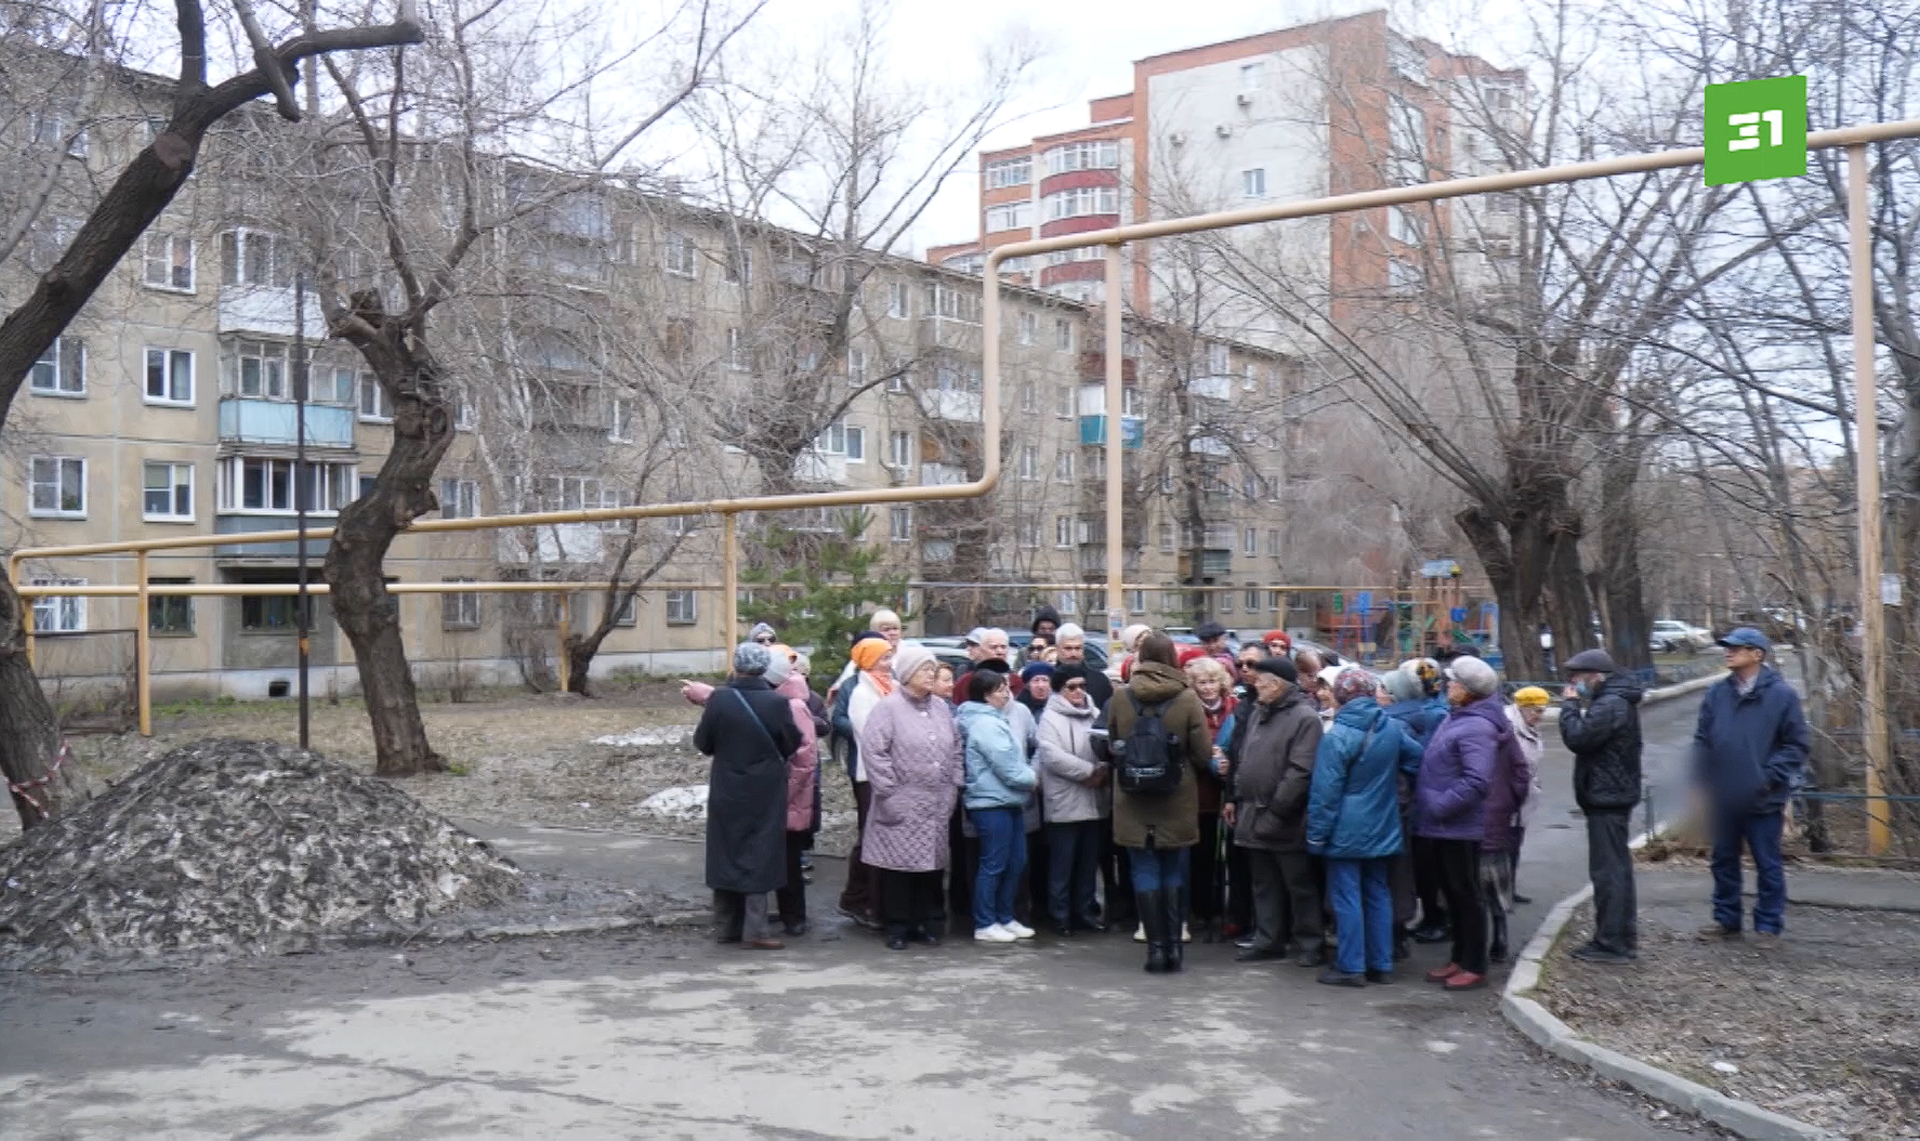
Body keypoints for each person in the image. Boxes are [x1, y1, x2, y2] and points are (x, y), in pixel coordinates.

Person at [1691, 627, 1808, 945]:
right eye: (1727, 648)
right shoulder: (1717, 693)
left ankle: (1768, 925)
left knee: (1767, 862)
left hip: (1762, 798)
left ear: (1757, 654)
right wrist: (1701, 782)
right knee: (1723, 860)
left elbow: (1796, 745)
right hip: (1724, 796)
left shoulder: (1781, 695)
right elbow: (1703, 741)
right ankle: (1727, 921)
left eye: (1736, 648)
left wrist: (1767, 777)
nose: (1728, 652)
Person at [1105, 632, 1214, 973]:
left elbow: (1112, 744)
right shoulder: (1186, 698)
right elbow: (1202, 753)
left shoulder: (1122, 697)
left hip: (1133, 795)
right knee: (1173, 869)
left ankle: (1154, 950)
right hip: (1176, 796)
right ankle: (1174, 948)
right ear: (1172, 659)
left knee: (1143, 868)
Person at [1307, 669, 1423, 986]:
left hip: (1346, 826)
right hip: (1383, 821)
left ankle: (1351, 966)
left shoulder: (1337, 736)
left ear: (1341, 696)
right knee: (1377, 892)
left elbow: (1324, 794)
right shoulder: (1391, 727)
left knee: (1346, 896)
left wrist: (1316, 835)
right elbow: (1417, 760)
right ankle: (1381, 963)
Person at [693, 642, 802, 951]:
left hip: (727, 786)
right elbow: (791, 743)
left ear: (736, 665)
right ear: (764, 667)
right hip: (766, 789)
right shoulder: (777, 703)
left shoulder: (719, 700)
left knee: (725, 850)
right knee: (760, 852)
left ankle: (726, 926)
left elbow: (703, 742)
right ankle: (755, 930)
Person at [860, 642, 966, 951]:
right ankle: (897, 926)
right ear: (907, 674)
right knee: (899, 870)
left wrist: (953, 785)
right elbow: (874, 752)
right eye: (925, 669)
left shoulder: (942, 709)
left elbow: (956, 747)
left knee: (930, 868)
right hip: (902, 801)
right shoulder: (888, 708)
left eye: (933, 669)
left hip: (936, 802)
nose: (931, 675)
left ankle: (924, 923)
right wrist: (890, 793)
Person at [1224, 654, 1326, 967]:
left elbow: (1300, 770)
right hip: (1252, 810)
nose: (1258, 687)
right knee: (1263, 882)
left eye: (1264, 683)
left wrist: (1278, 810)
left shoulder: (1305, 717)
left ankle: (1310, 943)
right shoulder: (1258, 710)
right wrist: (1236, 796)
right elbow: (1244, 755)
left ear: (1279, 685)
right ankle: (1269, 940)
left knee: (1299, 884)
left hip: (1285, 816)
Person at [1416, 655, 1511, 991]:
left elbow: (1477, 780)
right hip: (1443, 825)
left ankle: (1474, 964)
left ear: (1469, 690)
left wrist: (1441, 806)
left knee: (1467, 894)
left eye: (1453, 682)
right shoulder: (1459, 717)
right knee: (1454, 894)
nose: (1447, 686)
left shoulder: (1476, 726)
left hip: (1457, 825)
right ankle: (1459, 957)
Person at [1556, 650, 1645, 962]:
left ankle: (1613, 942)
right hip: (1612, 794)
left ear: (1594, 676)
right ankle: (1616, 937)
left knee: (1609, 873)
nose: (1573, 685)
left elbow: (1578, 738)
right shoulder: (1616, 700)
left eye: (1576, 679)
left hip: (1608, 797)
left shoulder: (1609, 704)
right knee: (1614, 870)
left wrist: (1569, 706)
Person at [957, 671, 1040, 943]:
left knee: (1016, 861)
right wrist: (1032, 778)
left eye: (1006, 688)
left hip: (1008, 800)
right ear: (985, 695)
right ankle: (985, 921)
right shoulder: (984, 724)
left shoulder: (993, 719)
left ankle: (1005, 916)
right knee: (994, 863)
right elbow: (1007, 765)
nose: (1007, 694)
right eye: (1000, 690)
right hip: (989, 802)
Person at [1036, 669, 1110, 936]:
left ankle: (1085, 912)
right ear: (1059, 690)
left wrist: (1101, 769)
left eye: (1082, 686)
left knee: (1088, 863)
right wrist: (1087, 771)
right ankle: (1060, 915)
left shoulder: (1094, 712)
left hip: (1093, 798)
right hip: (1066, 799)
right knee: (1062, 864)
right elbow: (1050, 755)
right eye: (1071, 687)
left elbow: (1106, 742)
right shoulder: (1050, 717)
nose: (1079, 691)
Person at [835, 634, 893, 925]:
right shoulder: (860, 691)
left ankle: (870, 899)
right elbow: (870, 735)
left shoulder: (888, 687)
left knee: (880, 837)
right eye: (884, 658)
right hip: (871, 774)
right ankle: (862, 900)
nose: (889, 663)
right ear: (869, 660)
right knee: (871, 836)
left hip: (889, 772)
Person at [1379, 665, 1433, 958]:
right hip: (1404, 807)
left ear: (1392, 695)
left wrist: (1399, 782)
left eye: (1382, 689)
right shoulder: (1421, 715)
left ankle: (1392, 938)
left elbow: (1415, 761)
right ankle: (1398, 935)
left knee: (1390, 875)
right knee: (1401, 873)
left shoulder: (1394, 724)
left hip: (1393, 806)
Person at [765, 649, 820, 937]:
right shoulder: (785, 699)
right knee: (784, 859)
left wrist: (782, 795)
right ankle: (788, 915)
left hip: (788, 797)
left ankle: (794, 917)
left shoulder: (793, 705)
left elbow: (803, 758)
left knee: (788, 860)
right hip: (785, 796)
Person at [1185, 655, 1237, 940]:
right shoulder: (1190, 709)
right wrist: (1212, 759)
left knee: (1228, 858)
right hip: (1199, 795)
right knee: (1202, 856)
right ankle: (1203, 910)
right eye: (1202, 682)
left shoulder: (1235, 708)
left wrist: (1226, 759)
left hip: (1228, 792)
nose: (1208, 688)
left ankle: (1223, 910)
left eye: (1212, 681)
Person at [1404, 657, 1453, 945]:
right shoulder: (1434, 710)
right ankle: (1433, 917)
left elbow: (1422, 758)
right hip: (1426, 799)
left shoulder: (1431, 715)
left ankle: (1437, 919)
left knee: (1430, 866)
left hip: (1426, 801)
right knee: (1428, 865)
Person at [1506, 686, 1551, 905]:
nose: (1539, 716)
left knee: (1514, 845)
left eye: (1542, 711)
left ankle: (1510, 888)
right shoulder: (1510, 728)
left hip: (1522, 797)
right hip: (1508, 798)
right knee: (1503, 846)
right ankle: (1501, 892)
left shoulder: (1527, 727)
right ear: (1522, 707)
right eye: (1535, 711)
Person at [1054, 623, 1112, 709]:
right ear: (1057, 649)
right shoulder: (1047, 679)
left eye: (1078, 648)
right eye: (1068, 648)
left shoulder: (1100, 681)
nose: (1073, 654)